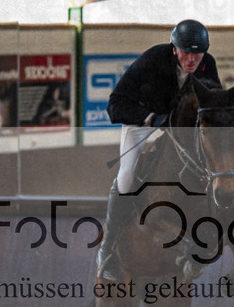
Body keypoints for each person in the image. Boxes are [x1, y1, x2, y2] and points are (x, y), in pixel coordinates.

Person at [95, 19, 222, 282]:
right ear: (174, 49)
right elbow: (114, 105)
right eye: (186, 53)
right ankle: (107, 248)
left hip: (182, 129)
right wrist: (151, 118)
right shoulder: (152, 60)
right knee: (127, 176)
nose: (192, 60)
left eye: (197, 54)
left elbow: (214, 102)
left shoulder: (208, 64)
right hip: (143, 124)